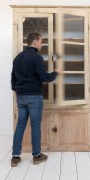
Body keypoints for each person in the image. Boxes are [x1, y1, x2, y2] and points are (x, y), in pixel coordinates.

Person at [11, 32, 59, 167]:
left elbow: (13, 80)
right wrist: (56, 72)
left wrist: (20, 92)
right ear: (35, 42)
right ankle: (37, 156)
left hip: (21, 97)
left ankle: (15, 157)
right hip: (34, 97)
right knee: (35, 126)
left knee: (20, 126)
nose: (42, 44)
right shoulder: (36, 58)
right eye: (41, 41)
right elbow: (45, 78)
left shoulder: (17, 58)